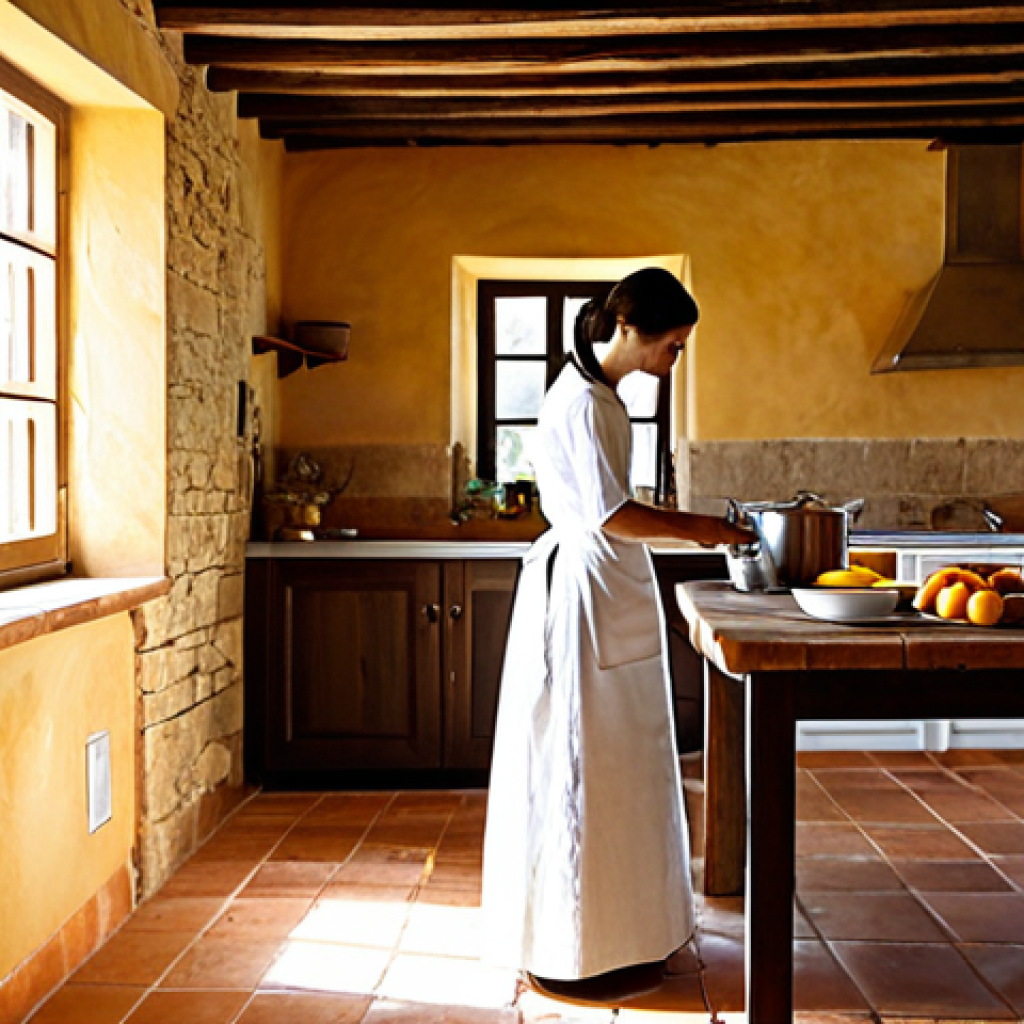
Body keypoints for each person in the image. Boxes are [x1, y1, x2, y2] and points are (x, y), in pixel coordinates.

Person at [480, 268, 755, 1001]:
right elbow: (613, 515)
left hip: (604, 592)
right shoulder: (584, 402)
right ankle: (581, 948)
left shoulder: (598, 395)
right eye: (674, 344)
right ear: (631, 328)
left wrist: (696, 529)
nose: (676, 358)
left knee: (620, 764)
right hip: (586, 596)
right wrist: (706, 530)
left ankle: (623, 935)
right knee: (588, 765)